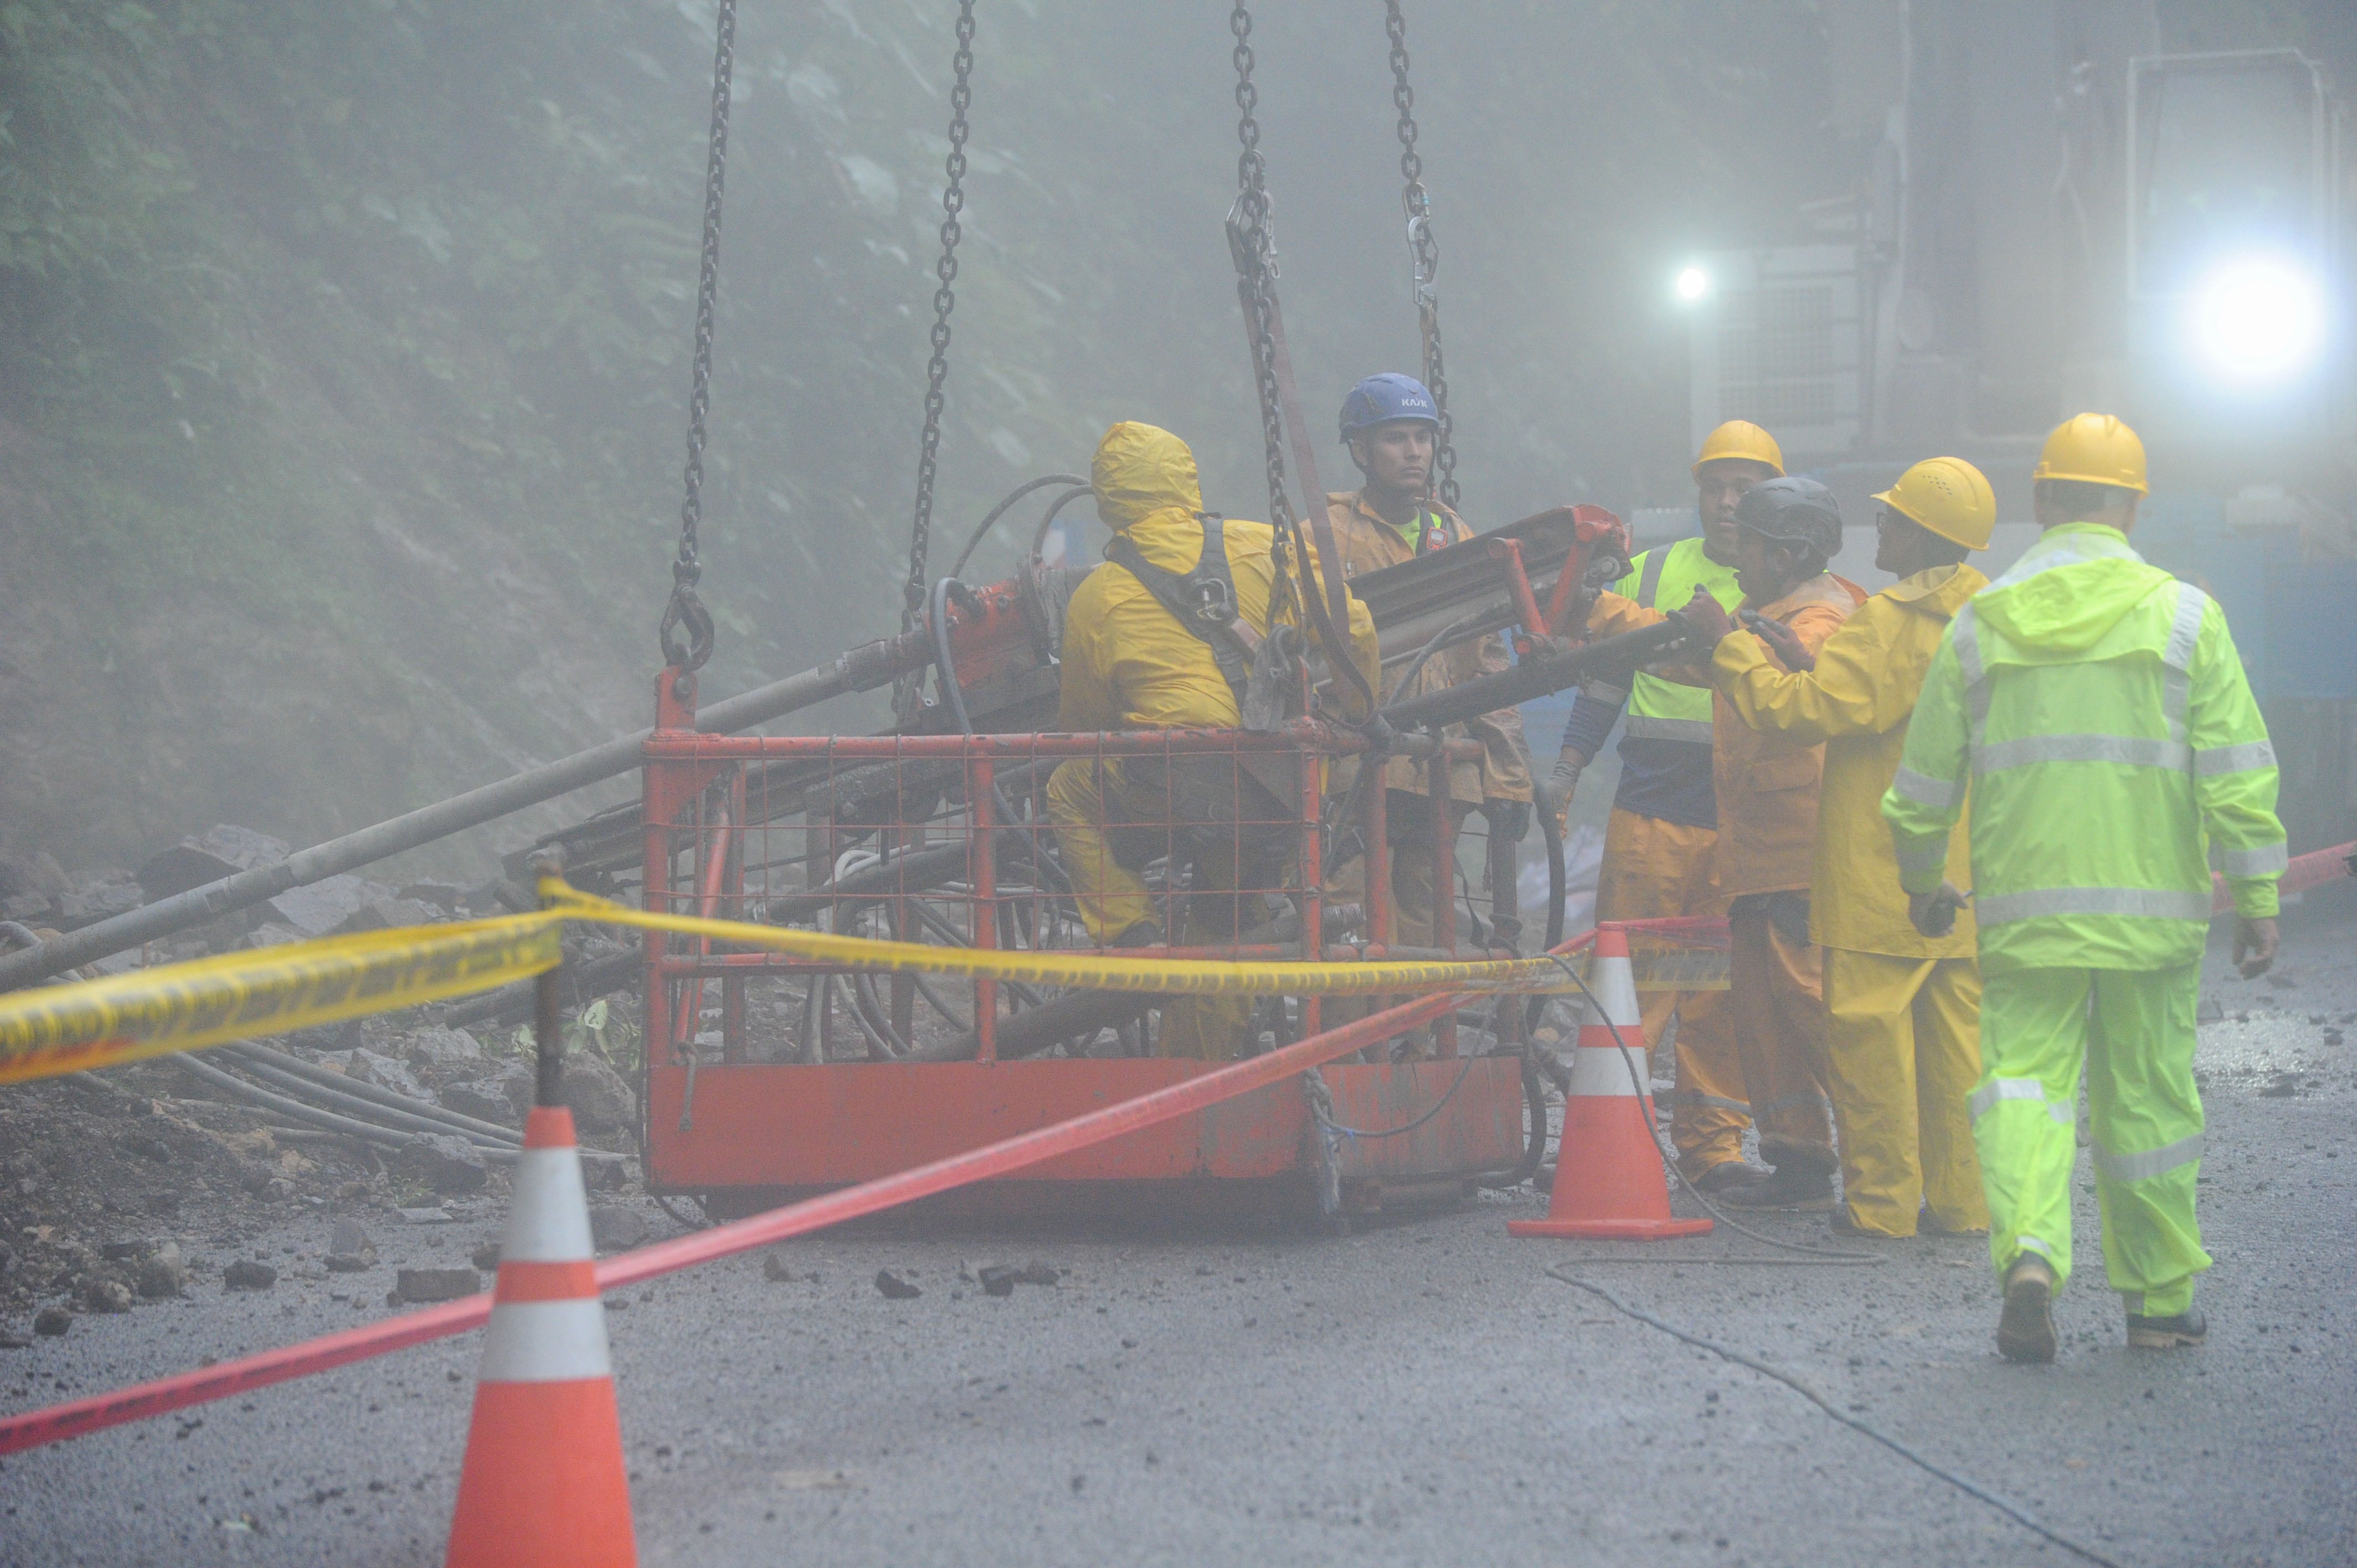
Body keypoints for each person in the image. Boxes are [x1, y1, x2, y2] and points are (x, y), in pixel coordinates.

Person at [1883, 412, 2284, 1363]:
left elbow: (1920, 790)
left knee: (2022, 1085)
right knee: (2147, 1099)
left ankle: (2030, 1250)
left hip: (2027, 916)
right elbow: (2236, 771)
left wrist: (1922, 884)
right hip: (2154, 922)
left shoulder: (1980, 624)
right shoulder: (2186, 614)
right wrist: (2258, 896)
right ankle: (2156, 1303)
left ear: (2037, 500)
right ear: (2133, 506)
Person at [1684, 456, 1996, 1239]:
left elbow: (1801, 714)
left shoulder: (1888, 620)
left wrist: (1728, 648)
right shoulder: (1986, 616)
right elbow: (1899, 706)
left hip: (1874, 873)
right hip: (1955, 874)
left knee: (1869, 1052)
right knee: (1955, 1054)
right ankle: (1963, 1204)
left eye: (1892, 519)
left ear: (1923, 534)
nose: (1877, 529)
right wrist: (1812, 662)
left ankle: (1881, 1209)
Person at [1047, 420, 1380, 1060]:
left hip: (1176, 783)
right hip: (1282, 782)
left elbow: (1080, 731)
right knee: (1225, 922)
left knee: (1068, 785)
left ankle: (1130, 933)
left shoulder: (1096, 596)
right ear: (1185, 479)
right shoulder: (1263, 544)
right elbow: (1354, 627)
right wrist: (1357, 714)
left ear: (1109, 499)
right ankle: (1197, 1080)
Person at [1589, 476, 1866, 1208]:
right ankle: (1800, 1160)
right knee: (1763, 1016)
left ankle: (1896, 1158)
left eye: (1749, 547)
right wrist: (1596, 610)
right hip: (1755, 856)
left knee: (1814, 1011)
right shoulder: (1767, 610)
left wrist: (1723, 642)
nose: (1736, 560)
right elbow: (1697, 662)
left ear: (1790, 553)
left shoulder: (1826, 619)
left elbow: (1779, 696)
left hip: (1799, 855)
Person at [1551, 420, 1778, 1193]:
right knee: (1632, 985)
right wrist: (1570, 766)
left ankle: (1713, 1150)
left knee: (1719, 997)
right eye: (1714, 488)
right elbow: (1605, 680)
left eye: (1741, 490)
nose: (1724, 502)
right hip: (1653, 812)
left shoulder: (1787, 586)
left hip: (1741, 825)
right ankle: (1611, 1138)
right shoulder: (1648, 576)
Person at [1318, 374, 1535, 1057]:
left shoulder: (1454, 535)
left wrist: (1507, 775)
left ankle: (1412, 1056)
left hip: (1437, 772)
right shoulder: (1325, 533)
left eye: (1422, 437)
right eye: (1394, 438)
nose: (1413, 452)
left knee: (1422, 920)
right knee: (1347, 913)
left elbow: (1485, 664)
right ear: (1359, 451)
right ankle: (1346, 1053)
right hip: (1353, 770)